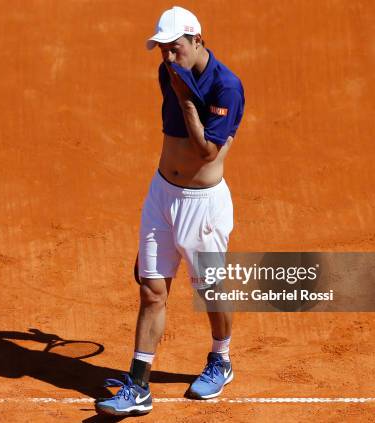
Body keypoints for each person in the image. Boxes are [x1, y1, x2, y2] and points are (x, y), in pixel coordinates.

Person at [95, 6, 245, 416]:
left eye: (174, 47)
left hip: (204, 207)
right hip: (162, 195)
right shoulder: (168, 72)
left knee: (209, 291)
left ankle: (221, 358)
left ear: (197, 38)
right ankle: (139, 385)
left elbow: (207, 151)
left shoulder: (227, 87)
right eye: (162, 49)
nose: (168, 57)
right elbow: (175, 139)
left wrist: (186, 101)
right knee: (150, 288)